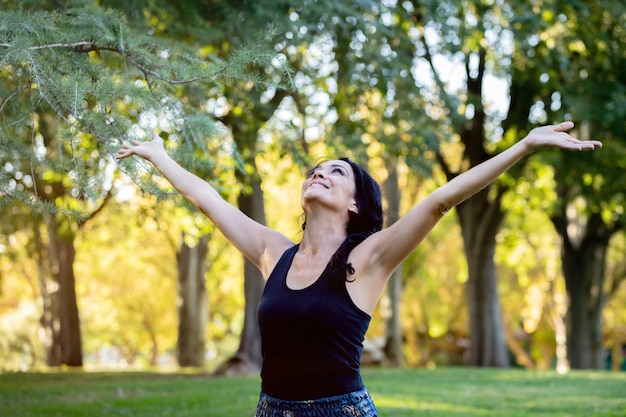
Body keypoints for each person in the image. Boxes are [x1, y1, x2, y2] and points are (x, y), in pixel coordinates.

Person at [115, 121, 601, 416]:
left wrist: (524, 147)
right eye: (315, 169)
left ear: (354, 203)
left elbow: (441, 200)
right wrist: (159, 156)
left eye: (336, 171)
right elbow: (210, 201)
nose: (319, 172)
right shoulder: (272, 252)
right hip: (271, 412)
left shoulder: (368, 260)